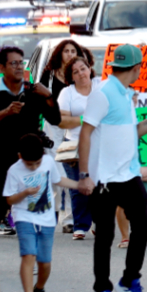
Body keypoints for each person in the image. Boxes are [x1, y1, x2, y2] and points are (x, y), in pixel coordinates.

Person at [77, 44, 147, 292]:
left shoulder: (128, 95)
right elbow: (85, 134)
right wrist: (85, 175)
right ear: (135, 69)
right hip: (104, 179)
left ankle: (130, 279)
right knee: (105, 236)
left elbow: (136, 131)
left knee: (142, 226)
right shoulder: (103, 95)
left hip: (129, 175)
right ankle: (103, 291)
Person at [0, 46, 62, 238]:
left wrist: (48, 95)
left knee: (34, 213)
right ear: (2, 67)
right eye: (13, 63)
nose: (19, 67)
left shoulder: (33, 92)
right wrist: (5, 112)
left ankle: (36, 258)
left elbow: (55, 119)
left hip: (29, 162)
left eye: (21, 63)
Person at [4, 133, 79, 292]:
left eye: (37, 163)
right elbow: (9, 199)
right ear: (20, 156)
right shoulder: (14, 171)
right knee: (28, 255)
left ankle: (39, 289)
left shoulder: (47, 162)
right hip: (24, 217)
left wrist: (79, 186)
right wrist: (25, 193)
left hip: (46, 218)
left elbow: (58, 180)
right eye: (30, 164)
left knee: (44, 262)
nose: (35, 167)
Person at [56, 57, 99, 240]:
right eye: (76, 71)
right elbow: (62, 121)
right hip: (75, 146)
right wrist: (85, 119)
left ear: (90, 69)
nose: (81, 73)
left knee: (99, 186)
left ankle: (99, 221)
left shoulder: (101, 85)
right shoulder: (67, 93)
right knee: (79, 186)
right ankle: (80, 225)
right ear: (71, 77)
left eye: (83, 68)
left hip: (100, 144)